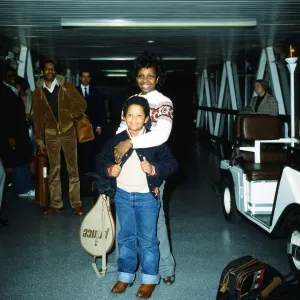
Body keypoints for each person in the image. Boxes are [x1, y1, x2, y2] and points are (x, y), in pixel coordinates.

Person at [96, 96, 178, 298]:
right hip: (123, 196)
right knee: (125, 237)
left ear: (147, 118)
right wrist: (109, 169)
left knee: (148, 240)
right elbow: (100, 159)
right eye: (130, 115)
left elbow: (172, 164)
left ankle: (149, 279)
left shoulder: (154, 139)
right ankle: (125, 275)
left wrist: (154, 169)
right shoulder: (117, 139)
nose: (134, 119)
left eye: (139, 115)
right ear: (124, 117)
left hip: (147, 198)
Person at [113, 51, 176, 285]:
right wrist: (116, 151)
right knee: (125, 223)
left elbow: (161, 134)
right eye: (141, 75)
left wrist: (130, 142)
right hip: (128, 172)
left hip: (152, 170)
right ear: (136, 77)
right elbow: (120, 133)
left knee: (155, 221)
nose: (146, 80)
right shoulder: (131, 100)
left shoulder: (164, 102)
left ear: (158, 78)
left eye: (150, 75)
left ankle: (165, 267)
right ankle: (122, 267)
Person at [32, 60, 87, 216]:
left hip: (68, 132)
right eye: (47, 69)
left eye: (52, 69)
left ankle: (76, 204)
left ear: (55, 71)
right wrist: (39, 139)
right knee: (54, 170)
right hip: (50, 135)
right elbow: (37, 117)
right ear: (42, 72)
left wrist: (70, 114)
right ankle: (56, 204)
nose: (50, 71)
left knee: (73, 170)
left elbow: (82, 104)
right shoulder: (38, 92)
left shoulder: (65, 86)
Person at [0, 65, 34, 197]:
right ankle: (23, 189)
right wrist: (10, 137)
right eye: (9, 76)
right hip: (13, 134)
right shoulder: (4, 92)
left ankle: (27, 186)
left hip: (20, 132)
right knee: (18, 161)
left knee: (23, 160)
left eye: (14, 76)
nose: (12, 79)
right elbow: (5, 117)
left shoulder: (12, 90)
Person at [76, 71, 105, 172]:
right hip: (78, 125)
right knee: (79, 148)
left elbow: (100, 109)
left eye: (87, 77)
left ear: (90, 79)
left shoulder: (95, 92)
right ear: (80, 78)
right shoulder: (74, 91)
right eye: (83, 77)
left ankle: (90, 169)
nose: (85, 79)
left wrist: (99, 125)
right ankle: (80, 169)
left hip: (93, 125)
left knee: (91, 148)